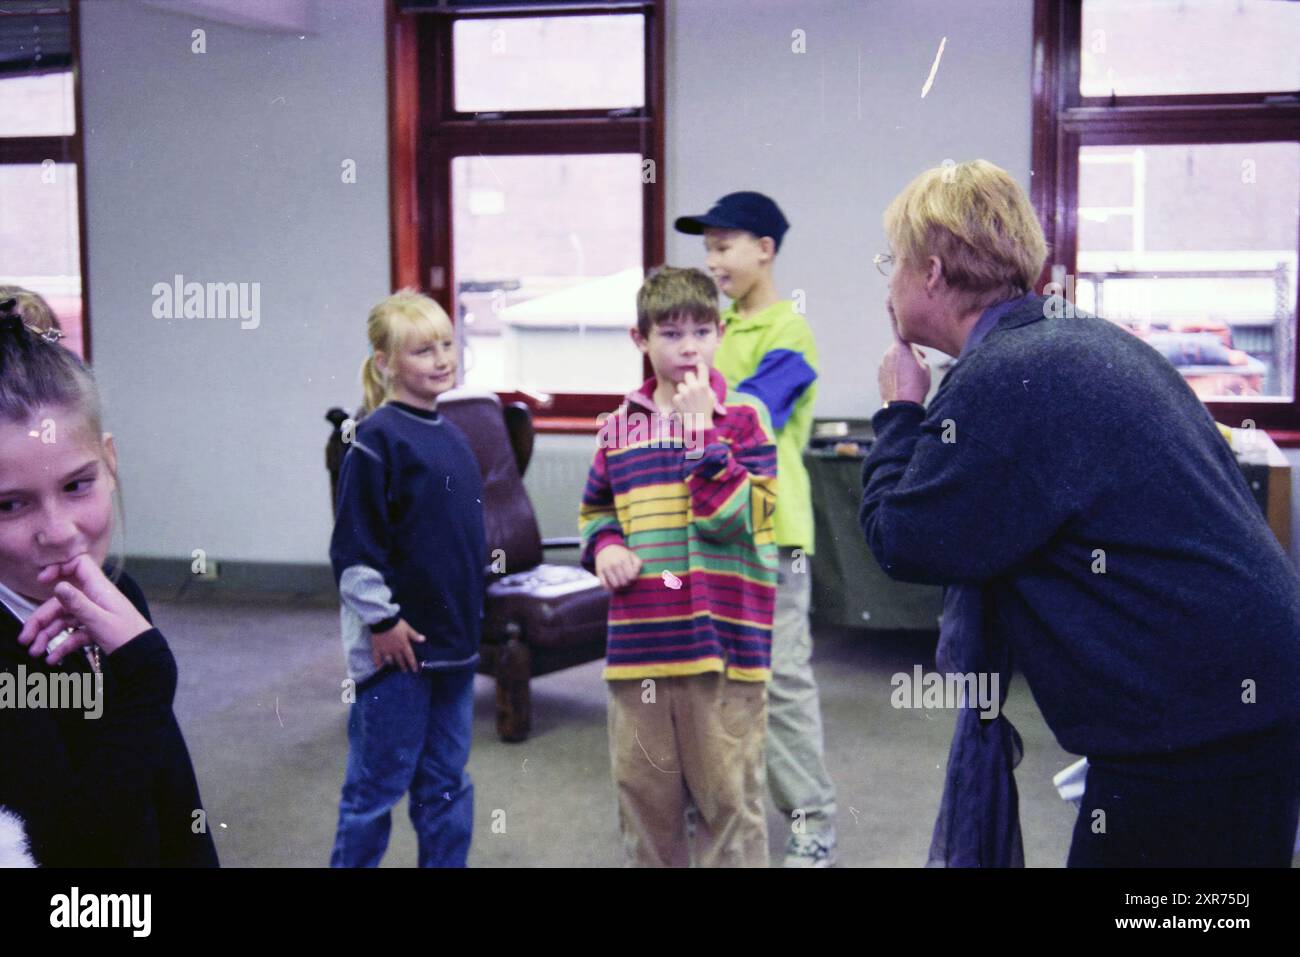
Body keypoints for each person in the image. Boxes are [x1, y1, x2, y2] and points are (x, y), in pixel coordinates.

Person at [859, 159, 1300, 867]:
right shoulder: (1079, 339)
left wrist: (898, 408)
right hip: (1238, 693)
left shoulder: (1005, 375)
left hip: (1193, 723)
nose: (890, 281)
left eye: (893, 261)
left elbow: (904, 538)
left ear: (933, 272)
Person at [0, 300, 218, 867]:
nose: (59, 531)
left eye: (77, 485)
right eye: (10, 505)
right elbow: (67, 861)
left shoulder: (118, 593)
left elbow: (173, 798)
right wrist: (147, 681)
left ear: (110, 460)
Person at [579, 266, 779, 867]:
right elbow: (596, 511)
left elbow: (741, 520)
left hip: (724, 651)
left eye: (700, 331)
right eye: (670, 334)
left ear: (720, 332)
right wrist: (606, 545)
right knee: (646, 804)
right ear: (640, 340)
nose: (688, 346)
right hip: (640, 648)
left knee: (729, 807)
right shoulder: (618, 429)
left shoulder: (744, 419)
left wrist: (701, 436)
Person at [676, 192, 839, 866]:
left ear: (765, 249)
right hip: (706, 534)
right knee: (705, 678)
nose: (712, 261)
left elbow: (748, 416)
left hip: (772, 536)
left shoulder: (788, 332)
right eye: (708, 248)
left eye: (724, 246)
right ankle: (717, 807)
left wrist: (693, 397)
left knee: (779, 679)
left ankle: (812, 820)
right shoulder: (709, 329)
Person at [329, 290, 486, 868]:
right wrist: (384, 621)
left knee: (446, 782)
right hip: (397, 651)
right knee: (376, 789)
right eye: (423, 350)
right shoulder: (374, 440)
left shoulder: (453, 434)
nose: (442, 358)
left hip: (455, 647)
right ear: (385, 362)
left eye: (447, 344)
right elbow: (353, 550)